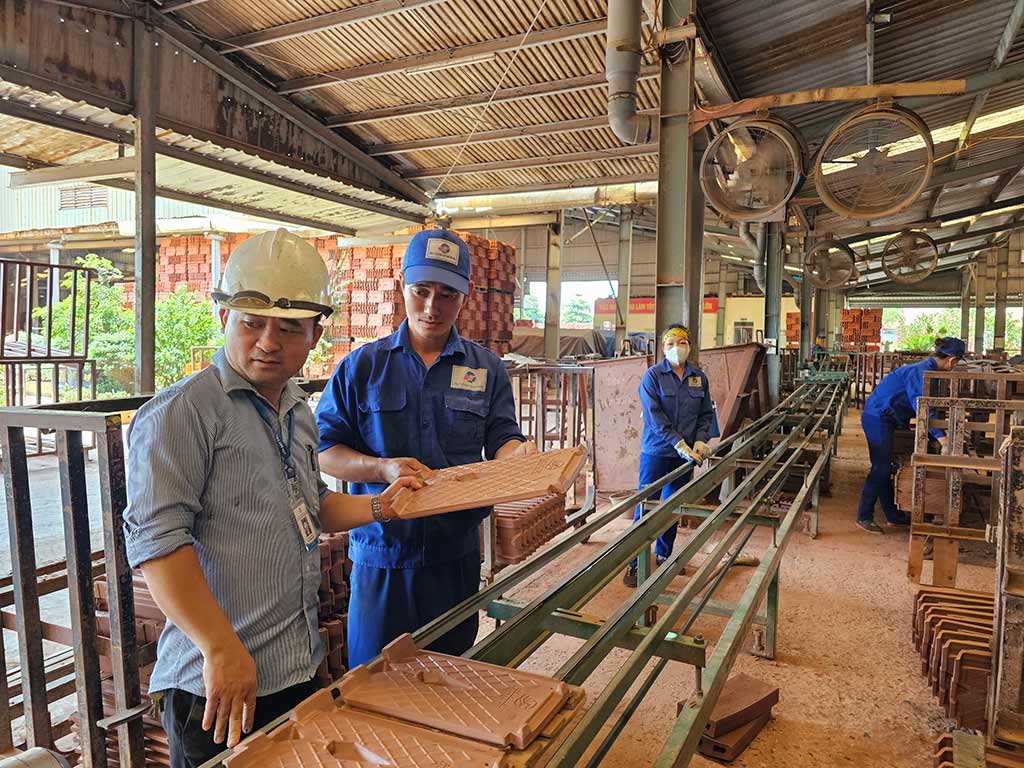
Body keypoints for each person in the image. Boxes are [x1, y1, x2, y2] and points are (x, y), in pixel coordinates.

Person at [123, 230, 423, 768]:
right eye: (251, 323)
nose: (267, 342)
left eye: (288, 328)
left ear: (314, 336)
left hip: (291, 669)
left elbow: (312, 508)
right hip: (215, 685)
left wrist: (382, 505)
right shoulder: (182, 414)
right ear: (222, 320)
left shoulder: (296, 409)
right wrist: (218, 646)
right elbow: (157, 545)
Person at [315, 228, 534, 668]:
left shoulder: (487, 369)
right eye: (422, 291)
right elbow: (325, 450)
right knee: (374, 680)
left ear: (465, 296)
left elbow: (503, 437)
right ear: (403, 285)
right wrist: (381, 469)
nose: (433, 307)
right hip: (381, 557)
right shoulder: (362, 366)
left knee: (448, 679)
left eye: (447, 294)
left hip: (454, 557)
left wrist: (520, 459)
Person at [623, 324, 716, 587]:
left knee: (675, 504)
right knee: (646, 506)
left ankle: (664, 555)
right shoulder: (652, 377)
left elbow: (706, 414)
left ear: (689, 345)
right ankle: (633, 564)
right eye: (672, 342)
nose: (678, 347)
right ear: (664, 348)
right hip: (657, 451)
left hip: (686, 454)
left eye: (683, 342)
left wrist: (699, 440)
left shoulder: (699, 377)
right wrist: (678, 442)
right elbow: (654, 416)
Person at [856, 336, 965, 534]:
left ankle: (893, 516)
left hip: (886, 418)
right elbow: (921, 406)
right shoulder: (920, 372)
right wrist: (942, 438)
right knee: (880, 468)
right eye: (956, 363)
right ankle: (864, 516)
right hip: (878, 418)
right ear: (952, 360)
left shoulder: (927, 371)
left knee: (885, 467)